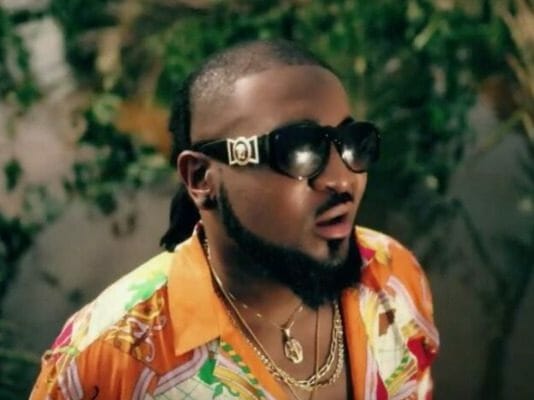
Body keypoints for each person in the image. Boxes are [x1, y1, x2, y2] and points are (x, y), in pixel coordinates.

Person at [31, 39, 439, 400]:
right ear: (201, 178)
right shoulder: (110, 357)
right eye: (297, 150)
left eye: (352, 143)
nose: (342, 179)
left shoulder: (392, 274)